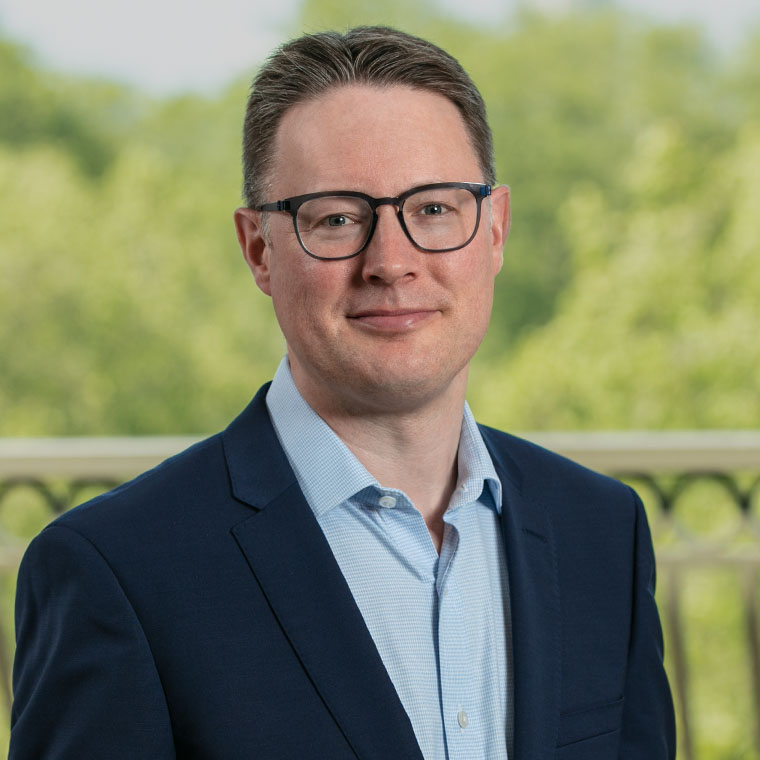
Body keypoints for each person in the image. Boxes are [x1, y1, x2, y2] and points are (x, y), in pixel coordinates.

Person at [10, 26, 675, 760]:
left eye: (434, 210)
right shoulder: (116, 572)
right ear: (259, 250)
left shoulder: (602, 533)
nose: (391, 261)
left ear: (494, 231)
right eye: (336, 218)